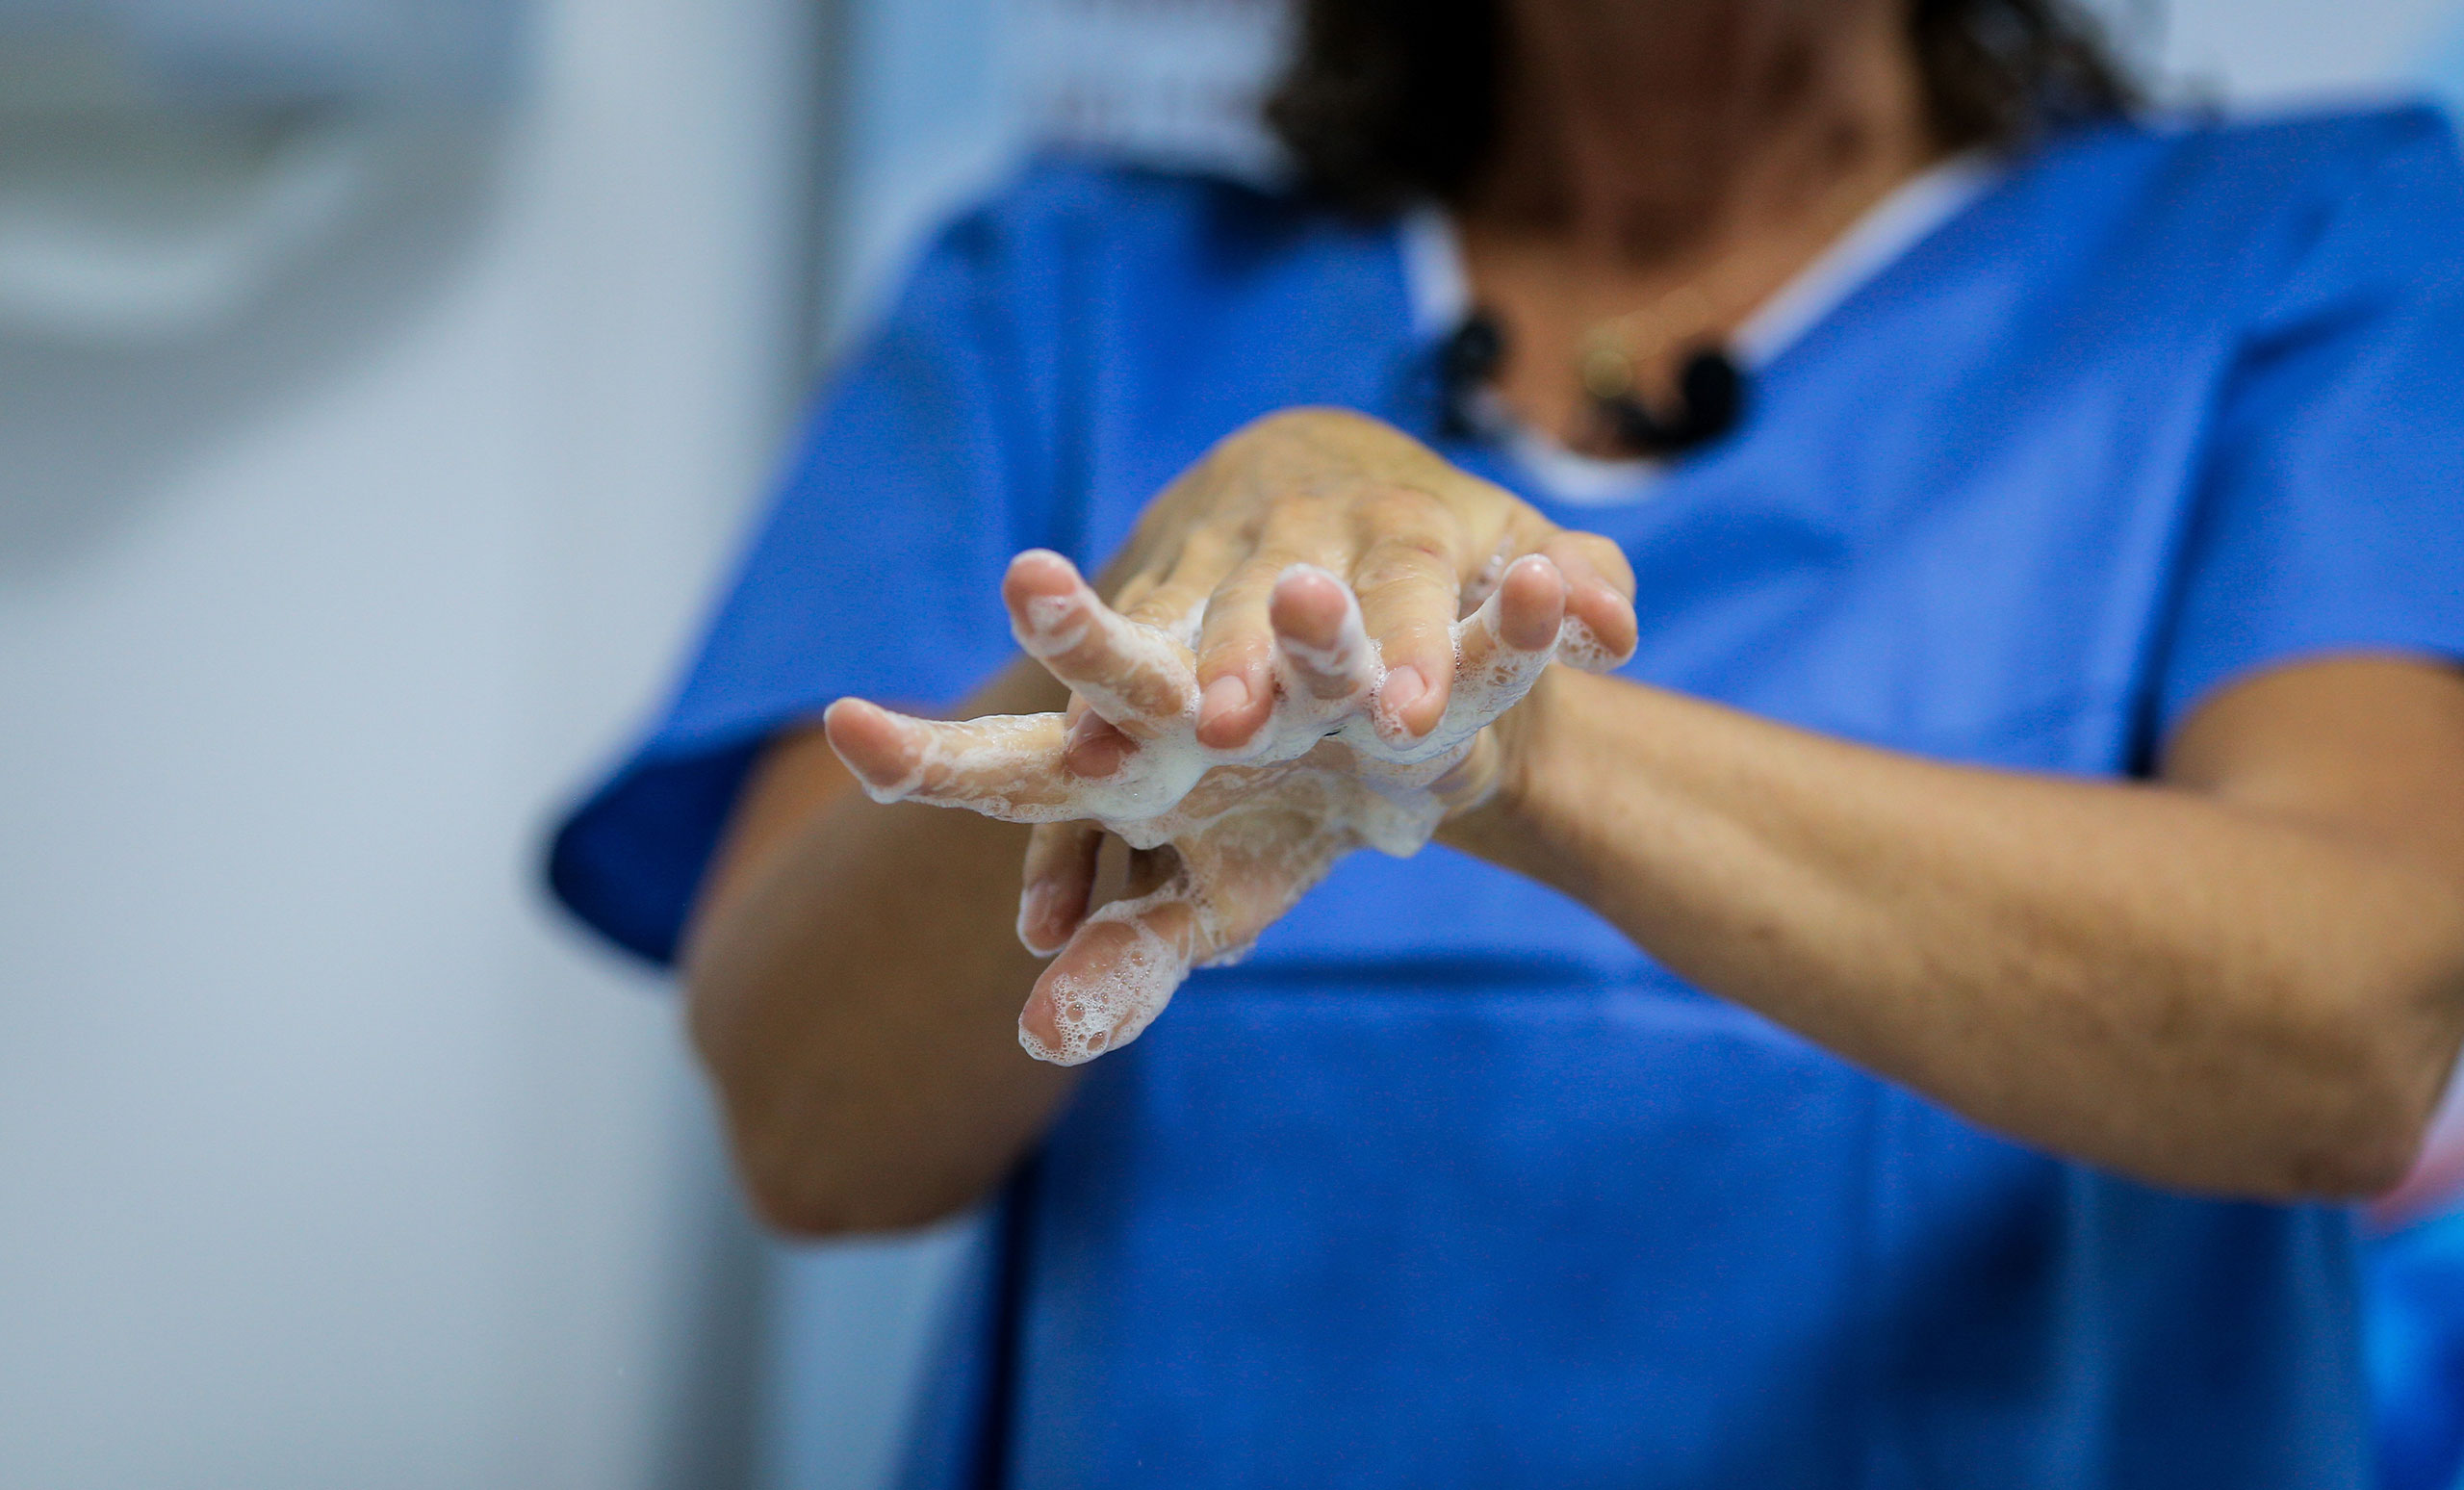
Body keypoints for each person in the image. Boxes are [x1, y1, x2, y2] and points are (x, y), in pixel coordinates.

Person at [548, 0, 2464, 1483]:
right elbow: (811, 1132)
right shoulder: (1061, 296)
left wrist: (1501, 748)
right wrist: (1153, 630)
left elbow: (2346, 1031)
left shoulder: (2307, 247)